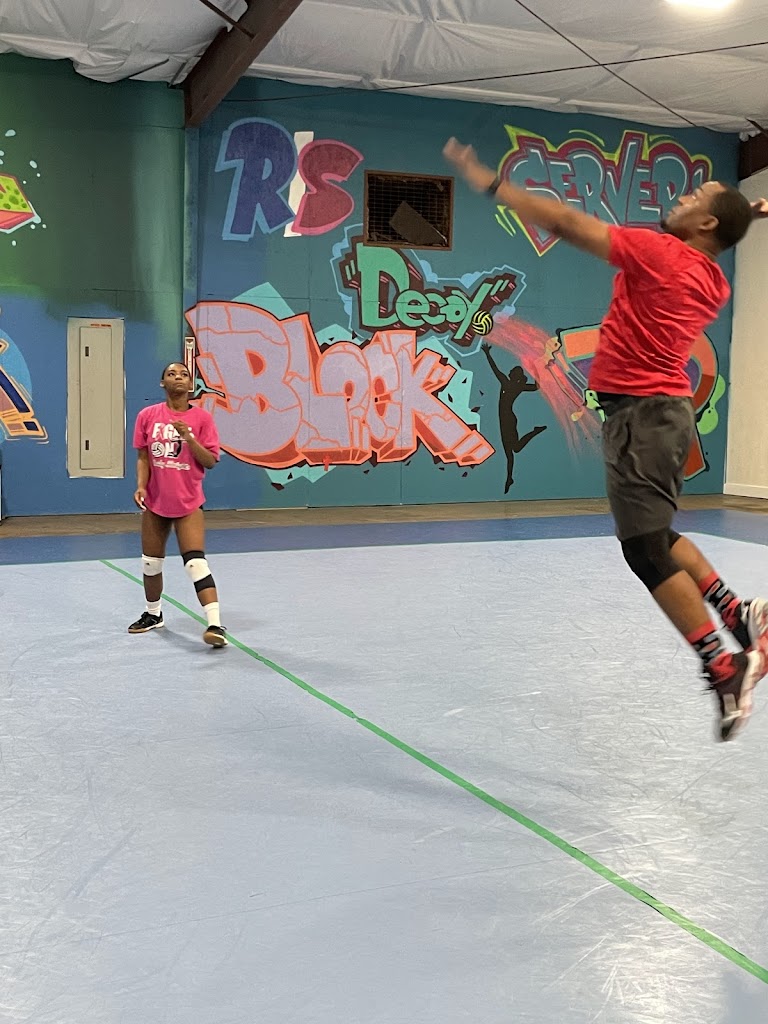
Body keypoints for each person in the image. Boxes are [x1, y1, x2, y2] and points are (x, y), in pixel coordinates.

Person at [444, 136, 768, 741]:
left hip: (643, 419)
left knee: (644, 551)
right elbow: (711, 232)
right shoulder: (710, 278)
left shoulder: (660, 254)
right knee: (659, 538)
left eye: (696, 196)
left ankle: (724, 667)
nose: (682, 197)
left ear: (705, 224)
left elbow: (567, 222)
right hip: (661, 417)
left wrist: (492, 183)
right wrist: (739, 214)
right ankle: (737, 613)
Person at [129, 361, 227, 648]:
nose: (178, 378)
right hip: (156, 503)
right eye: (171, 374)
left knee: (195, 563)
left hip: (188, 502)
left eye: (184, 374)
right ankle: (153, 614)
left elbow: (210, 460)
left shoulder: (202, 420)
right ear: (163, 383)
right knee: (150, 564)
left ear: (190, 384)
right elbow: (144, 456)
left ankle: (215, 625)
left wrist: (189, 438)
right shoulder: (147, 416)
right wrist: (141, 486)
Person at [481, 342, 547, 492]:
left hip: (507, 420)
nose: (509, 371)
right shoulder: (515, 385)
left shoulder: (508, 383)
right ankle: (510, 477)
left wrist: (488, 354)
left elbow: (495, 369)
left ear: (514, 375)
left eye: (512, 371)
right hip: (507, 418)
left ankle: (510, 476)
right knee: (513, 450)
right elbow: (536, 386)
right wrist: (535, 370)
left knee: (512, 451)